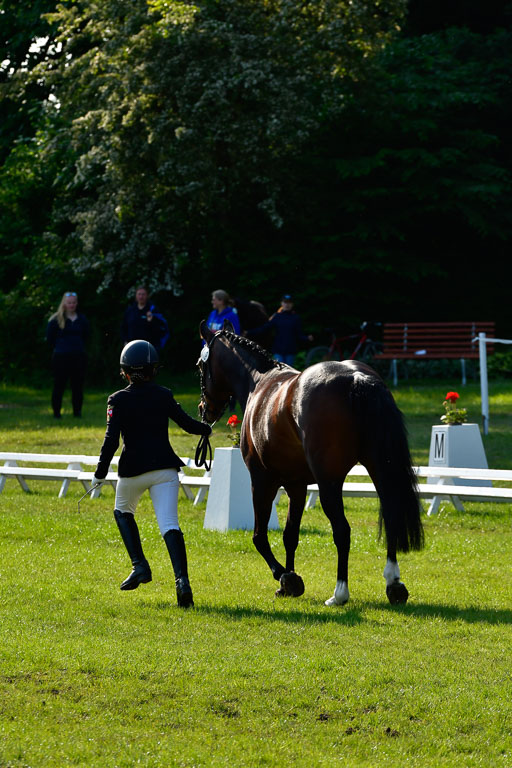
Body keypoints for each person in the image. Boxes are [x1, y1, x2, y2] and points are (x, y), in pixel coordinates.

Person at [92, 339, 211, 608]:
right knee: (170, 525)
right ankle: (182, 581)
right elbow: (188, 425)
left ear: (124, 372)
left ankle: (140, 565)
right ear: (153, 370)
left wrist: (100, 474)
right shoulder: (164, 394)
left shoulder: (117, 399)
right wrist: (208, 429)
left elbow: (111, 441)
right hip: (164, 469)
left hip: (133, 471)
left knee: (123, 512)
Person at [46, 291, 90, 418]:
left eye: (74, 302)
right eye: (69, 302)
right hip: (61, 357)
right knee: (59, 385)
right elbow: (50, 339)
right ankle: (56, 413)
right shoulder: (55, 320)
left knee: (77, 386)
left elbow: (87, 336)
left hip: (78, 357)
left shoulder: (82, 319)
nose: (71, 305)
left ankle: (77, 412)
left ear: (77, 303)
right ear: (64, 303)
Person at [246, 294, 313, 367]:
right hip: (278, 350)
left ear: (292, 304)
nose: (287, 304)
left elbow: (299, 334)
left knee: (289, 372)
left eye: (289, 303)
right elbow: (264, 328)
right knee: (279, 370)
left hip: (290, 350)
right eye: (285, 302)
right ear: (281, 303)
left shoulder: (296, 318)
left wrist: (307, 338)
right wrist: (248, 332)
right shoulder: (277, 316)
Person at [121, 286, 169, 351]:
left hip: (148, 347)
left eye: (143, 294)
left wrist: (151, 321)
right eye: (139, 294)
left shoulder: (153, 310)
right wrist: (125, 341)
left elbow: (160, 330)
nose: (141, 297)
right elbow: (124, 327)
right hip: (132, 347)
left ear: (147, 296)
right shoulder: (130, 310)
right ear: (136, 296)